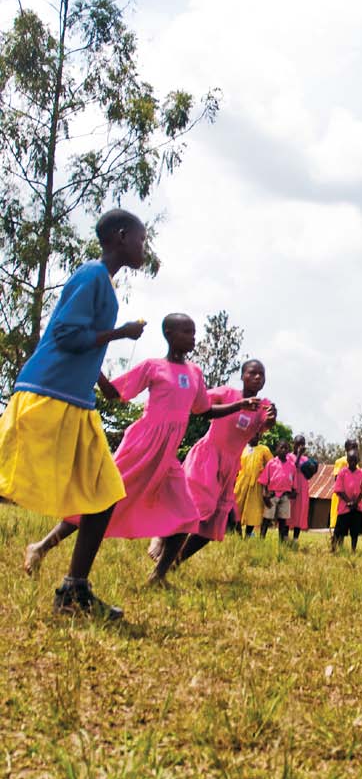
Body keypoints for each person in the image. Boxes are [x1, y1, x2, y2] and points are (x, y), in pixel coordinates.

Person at [22, 314, 258, 577]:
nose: (193, 338)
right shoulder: (152, 367)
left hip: (168, 456)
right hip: (141, 446)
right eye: (186, 332)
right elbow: (114, 393)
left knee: (187, 514)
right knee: (102, 501)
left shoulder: (194, 373)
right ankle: (41, 547)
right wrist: (94, 369)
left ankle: (158, 576)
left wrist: (239, 405)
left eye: (194, 332)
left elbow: (204, 410)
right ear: (169, 334)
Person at [0, 209, 147, 617]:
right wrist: (120, 334)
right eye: (140, 239)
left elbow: (78, 337)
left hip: (75, 401)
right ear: (120, 236)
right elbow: (64, 333)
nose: (143, 247)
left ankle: (73, 592)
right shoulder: (91, 276)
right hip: (48, 394)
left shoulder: (103, 283)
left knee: (104, 494)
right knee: (10, 479)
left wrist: (102, 381)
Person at [150, 360, 276, 583]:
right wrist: (239, 405)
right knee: (191, 507)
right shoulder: (228, 393)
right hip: (207, 457)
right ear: (242, 376)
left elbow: (265, 425)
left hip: (229, 467)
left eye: (261, 374)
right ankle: (159, 535)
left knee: (211, 526)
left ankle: (174, 562)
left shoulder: (264, 405)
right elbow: (202, 409)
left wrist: (271, 419)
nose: (257, 377)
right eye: (252, 373)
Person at [258, 439, 297, 542]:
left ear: (288, 450)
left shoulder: (292, 465)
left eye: (286, 448)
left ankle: (281, 541)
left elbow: (294, 483)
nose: (284, 450)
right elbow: (264, 481)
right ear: (277, 449)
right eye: (281, 448)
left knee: (283, 520)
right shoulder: (272, 463)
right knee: (267, 518)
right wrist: (265, 496)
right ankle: (261, 539)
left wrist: (293, 492)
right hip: (272, 495)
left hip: (285, 495)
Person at [234, 435, 272, 538]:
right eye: (252, 434)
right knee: (237, 508)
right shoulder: (242, 448)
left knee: (253, 510)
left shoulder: (264, 449)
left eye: (257, 435)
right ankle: (238, 535)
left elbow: (271, 466)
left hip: (256, 484)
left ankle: (247, 535)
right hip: (241, 482)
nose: (254, 437)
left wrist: (266, 485)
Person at [332, 448, 362, 553]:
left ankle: (353, 550)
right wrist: (348, 501)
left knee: (354, 531)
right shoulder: (342, 473)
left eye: (354, 460)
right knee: (339, 530)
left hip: (356, 507)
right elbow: (338, 490)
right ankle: (335, 549)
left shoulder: (361, 474)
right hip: (344, 506)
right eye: (350, 460)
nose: (352, 462)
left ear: (357, 461)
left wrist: (355, 502)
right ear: (347, 460)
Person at [287, 434, 316, 543]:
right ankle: (284, 536)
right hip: (291, 487)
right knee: (289, 511)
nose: (300, 446)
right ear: (293, 444)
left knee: (300, 513)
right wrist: (298, 455)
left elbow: (309, 474)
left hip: (303, 488)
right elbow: (292, 467)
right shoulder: (288, 456)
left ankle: (295, 539)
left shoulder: (306, 459)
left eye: (302, 444)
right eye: (298, 444)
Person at [329, 439, 359, 532]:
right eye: (352, 447)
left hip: (352, 499)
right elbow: (337, 479)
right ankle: (335, 544)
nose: (355, 449)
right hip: (341, 497)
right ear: (346, 448)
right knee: (338, 522)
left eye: (356, 447)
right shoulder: (341, 461)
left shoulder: (357, 464)